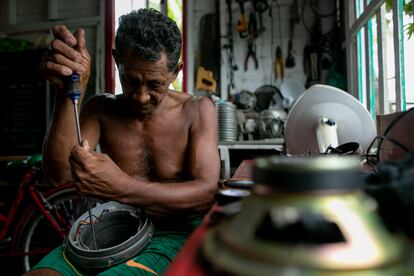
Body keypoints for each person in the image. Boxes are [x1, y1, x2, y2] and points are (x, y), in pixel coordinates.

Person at [26, 8, 220, 276]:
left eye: (154, 84)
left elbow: (205, 194)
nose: (140, 96)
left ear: (175, 72)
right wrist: (68, 93)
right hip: (109, 228)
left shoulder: (198, 110)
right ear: (117, 60)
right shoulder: (100, 109)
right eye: (129, 80)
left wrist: (122, 187)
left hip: (173, 232)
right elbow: (59, 175)